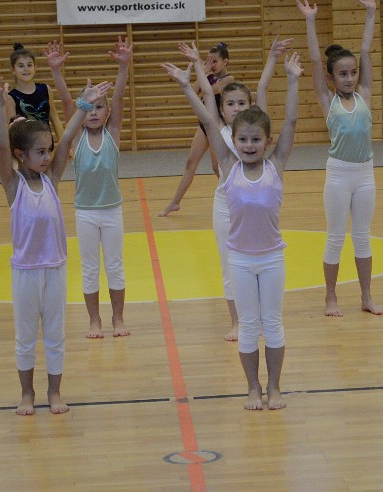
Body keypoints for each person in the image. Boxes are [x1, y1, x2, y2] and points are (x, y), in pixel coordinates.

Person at [162, 50, 303, 410]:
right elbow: (209, 120)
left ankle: (274, 388)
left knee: (273, 324)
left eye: (256, 140)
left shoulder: (276, 165)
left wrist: (292, 80)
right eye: (243, 140)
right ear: (234, 142)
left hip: (271, 259)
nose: (249, 146)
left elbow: (290, 121)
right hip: (240, 259)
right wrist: (187, 87)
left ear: (267, 142)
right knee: (249, 325)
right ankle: (253, 388)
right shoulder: (228, 165)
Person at [0, 73, 112, 415]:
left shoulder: (52, 179)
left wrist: (84, 103)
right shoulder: (13, 186)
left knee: (55, 335)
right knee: (26, 336)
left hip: (55, 269)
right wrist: (0, 107)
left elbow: (69, 134)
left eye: (49, 151)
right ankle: (27, 393)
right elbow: (0, 147)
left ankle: (54, 392)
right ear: (20, 155)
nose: (47, 157)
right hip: (26, 272)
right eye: (40, 152)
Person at [178, 36, 293, 341]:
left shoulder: (253, 132)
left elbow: (263, 87)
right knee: (230, 266)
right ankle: (236, 321)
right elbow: (206, 100)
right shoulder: (220, 132)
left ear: (250, 106)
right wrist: (195, 67)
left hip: (255, 203)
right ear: (222, 108)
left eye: (242, 103)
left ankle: (261, 317)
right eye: (230, 104)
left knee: (258, 263)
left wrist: (272, 57)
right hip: (225, 205)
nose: (236, 108)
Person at [297, 0, 383, 317]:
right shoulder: (327, 101)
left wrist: (371, 13)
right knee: (335, 239)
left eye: (353, 73)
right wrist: (310, 21)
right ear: (331, 78)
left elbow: (366, 50)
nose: (349, 78)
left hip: (365, 175)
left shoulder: (365, 94)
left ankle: (366, 297)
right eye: (342, 74)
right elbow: (313, 60)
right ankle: (330, 298)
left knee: (362, 238)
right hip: (338, 176)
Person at [44, 38, 133, 339]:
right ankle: (94, 320)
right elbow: (67, 102)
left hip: (112, 211)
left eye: (99, 107)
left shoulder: (113, 134)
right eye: (89, 107)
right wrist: (56, 72)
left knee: (115, 265)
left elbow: (119, 98)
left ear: (107, 113)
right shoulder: (77, 139)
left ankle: (118, 318)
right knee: (90, 268)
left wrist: (123, 67)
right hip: (85, 213)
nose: (94, 112)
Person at [158, 42, 234, 217]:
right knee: (190, 163)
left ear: (225, 62)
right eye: (208, 60)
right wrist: (203, 72)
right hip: (204, 125)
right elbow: (193, 91)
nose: (211, 64)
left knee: (217, 167)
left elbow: (210, 91)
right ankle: (175, 202)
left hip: (218, 128)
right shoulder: (206, 75)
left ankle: (234, 196)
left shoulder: (229, 79)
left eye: (214, 61)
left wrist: (204, 72)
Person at [5, 43, 64, 144]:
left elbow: (55, 119)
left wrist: (66, 145)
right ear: (13, 70)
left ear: (35, 67)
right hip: (26, 149)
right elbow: (11, 131)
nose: (26, 69)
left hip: (47, 146)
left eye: (29, 65)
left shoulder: (45, 89)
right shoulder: (11, 97)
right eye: (21, 66)